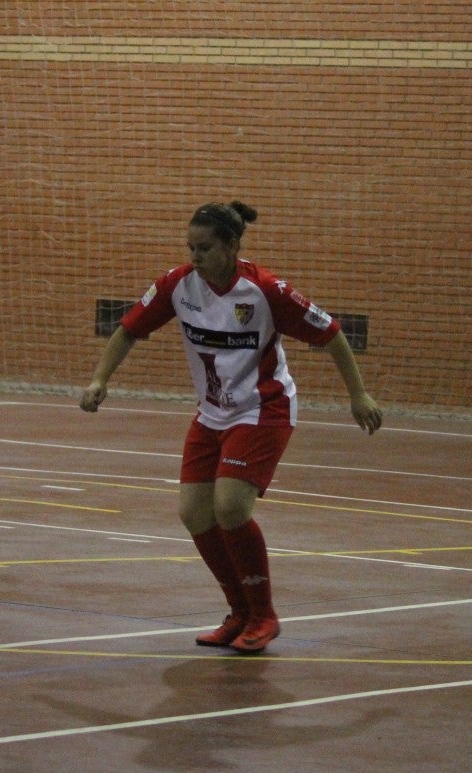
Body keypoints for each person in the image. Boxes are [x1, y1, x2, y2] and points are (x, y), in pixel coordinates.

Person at [80, 200, 382, 654]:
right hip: (212, 413)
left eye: (205, 248)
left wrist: (358, 395)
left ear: (232, 246)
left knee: (230, 508)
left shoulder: (266, 290)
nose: (196, 257)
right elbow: (128, 330)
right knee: (194, 514)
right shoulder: (177, 285)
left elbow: (331, 332)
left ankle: (264, 614)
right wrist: (100, 378)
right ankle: (239, 611)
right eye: (191, 247)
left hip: (263, 410)